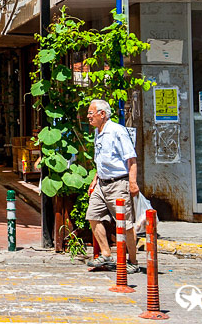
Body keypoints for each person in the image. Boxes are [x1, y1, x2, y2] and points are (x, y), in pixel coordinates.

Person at [84, 99, 140, 274]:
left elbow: (131, 159)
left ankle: (133, 260)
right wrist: (95, 179)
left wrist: (132, 182)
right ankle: (106, 253)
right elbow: (101, 159)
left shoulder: (117, 131)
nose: (88, 116)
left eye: (91, 113)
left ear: (102, 114)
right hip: (102, 183)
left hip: (118, 183)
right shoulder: (97, 132)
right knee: (93, 215)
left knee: (126, 224)